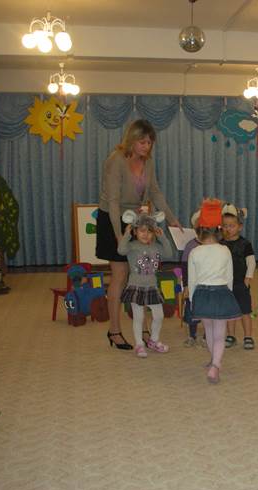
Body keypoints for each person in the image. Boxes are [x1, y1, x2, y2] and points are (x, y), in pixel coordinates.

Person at [97, 119, 181, 350]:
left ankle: (143, 329)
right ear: (132, 140)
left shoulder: (148, 162)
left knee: (140, 273)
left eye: (150, 142)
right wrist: (118, 234)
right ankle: (114, 330)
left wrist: (172, 219)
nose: (147, 146)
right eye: (142, 142)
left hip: (135, 219)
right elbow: (113, 201)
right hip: (112, 219)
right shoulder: (116, 160)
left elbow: (155, 192)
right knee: (120, 275)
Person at [188, 199, 241, 384]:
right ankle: (216, 365)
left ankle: (213, 360)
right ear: (220, 230)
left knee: (209, 331)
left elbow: (192, 280)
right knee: (220, 334)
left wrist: (193, 301)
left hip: (202, 294)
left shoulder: (194, 252)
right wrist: (229, 296)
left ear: (198, 231)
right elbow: (230, 277)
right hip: (221, 293)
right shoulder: (225, 250)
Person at [117, 210, 173, 358]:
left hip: (152, 287)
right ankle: (139, 345)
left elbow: (169, 254)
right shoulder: (132, 246)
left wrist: (162, 238)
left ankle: (153, 340)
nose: (145, 234)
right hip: (136, 286)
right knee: (138, 317)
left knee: (159, 316)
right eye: (141, 231)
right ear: (135, 231)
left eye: (149, 231)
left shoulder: (156, 246)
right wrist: (126, 234)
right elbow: (121, 250)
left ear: (154, 232)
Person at [221, 203, 256, 350]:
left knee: (245, 311)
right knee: (230, 312)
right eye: (225, 226)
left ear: (240, 227)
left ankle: (248, 336)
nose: (228, 229)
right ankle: (231, 335)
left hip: (241, 283)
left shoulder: (245, 244)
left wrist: (248, 278)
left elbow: (251, 262)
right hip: (226, 283)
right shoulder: (221, 244)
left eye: (232, 226)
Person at [181, 236, 205, 348]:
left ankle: (206, 336)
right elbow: (184, 267)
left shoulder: (216, 246)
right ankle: (192, 335)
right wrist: (186, 286)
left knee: (208, 311)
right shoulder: (191, 245)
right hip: (193, 284)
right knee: (191, 309)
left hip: (208, 285)